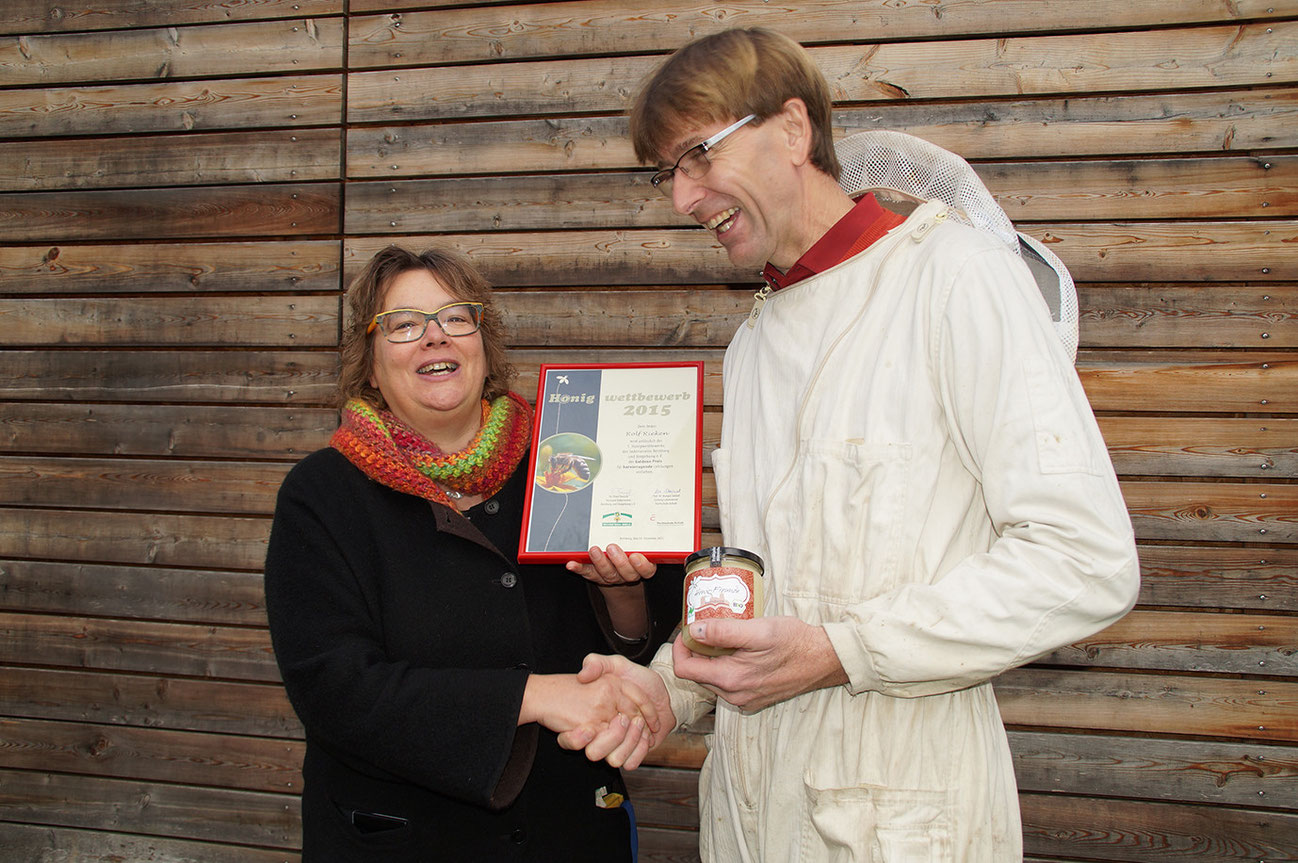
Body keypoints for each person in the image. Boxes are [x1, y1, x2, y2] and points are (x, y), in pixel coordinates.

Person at [565, 27, 1141, 861]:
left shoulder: (958, 276)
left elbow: (1086, 562)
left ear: (793, 131)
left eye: (698, 157)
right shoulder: (755, 342)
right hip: (749, 810)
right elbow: (764, 595)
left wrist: (844, 651)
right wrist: (665, 687)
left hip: (905, 809)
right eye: (668, 175)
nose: (683, 199)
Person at [263, 245, 682, 862]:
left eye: (456, 317)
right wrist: (535, 697)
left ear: (484, 347)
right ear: (370, 366)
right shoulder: (323, 494)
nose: (435, 337)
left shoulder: (568, 460)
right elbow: (335, 691)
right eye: (404, 324)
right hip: (402, 840)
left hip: (569, 828)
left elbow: (645, 647)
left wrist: (623, 593)